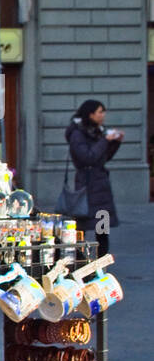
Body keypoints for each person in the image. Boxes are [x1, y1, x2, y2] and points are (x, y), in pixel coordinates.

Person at [66, 99, 122, 257]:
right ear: (90, 114)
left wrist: (115, 143)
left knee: (102, 227)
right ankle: (77, 258)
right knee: (81, 224)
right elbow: (87, 158)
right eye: (100, 112)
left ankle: (102, 260)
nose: (103, 115)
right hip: (86, 184)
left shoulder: (97, 131)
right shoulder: (77, 134)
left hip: (101, 186)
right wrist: (106, 140)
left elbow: (102, 158)